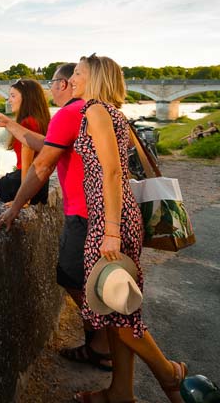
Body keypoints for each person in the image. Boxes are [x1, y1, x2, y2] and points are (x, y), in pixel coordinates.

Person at [69, 54, 186, 403]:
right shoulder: (112, 111)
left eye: (77, 73)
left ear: (96, 77)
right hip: (113, 216)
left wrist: (111, 230)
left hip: (111, 219)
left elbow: (112, 172)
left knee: (119, 309)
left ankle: (169, 373)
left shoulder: (96, 110)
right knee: (116, 306)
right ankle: (121, 392)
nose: (72, 78)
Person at [0, 64, 112, 371]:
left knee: (73, 278)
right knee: (90, 281)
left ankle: (111, 346)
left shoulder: (71, 113)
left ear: (68, 84)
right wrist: (8, 123)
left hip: (85, 213)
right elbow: (47, 144)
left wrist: (15, 207)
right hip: (96, 211)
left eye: (57, 81)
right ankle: (99, 345)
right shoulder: (95, 111)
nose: (54, 87)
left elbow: (42, 166)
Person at [0, 79, 51, 205]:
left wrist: (23, 199)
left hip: (25, 185)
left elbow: (27, 166)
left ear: (26, 98)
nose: (9, 100)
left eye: (13, 96)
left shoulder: (27, 123)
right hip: (40, 185)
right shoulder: (42, 120)